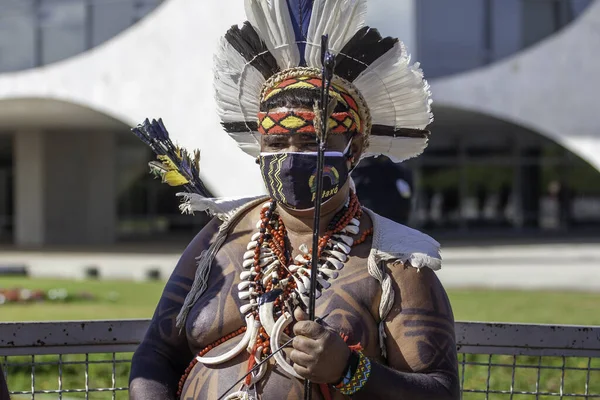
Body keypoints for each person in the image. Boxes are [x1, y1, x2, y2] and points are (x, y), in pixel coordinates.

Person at [129, 1, 459, 399]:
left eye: (309, 142)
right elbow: (156, 354)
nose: (289, 158)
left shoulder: (395, 263)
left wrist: (350, 370)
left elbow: (441, 391)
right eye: (276, 143)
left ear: (352, 150)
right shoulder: (222, 237)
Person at [352, 156, 414, 224]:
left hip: (391, 216)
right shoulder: (364, 170)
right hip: (376, 216)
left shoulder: (398, 171)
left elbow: (406, 194)